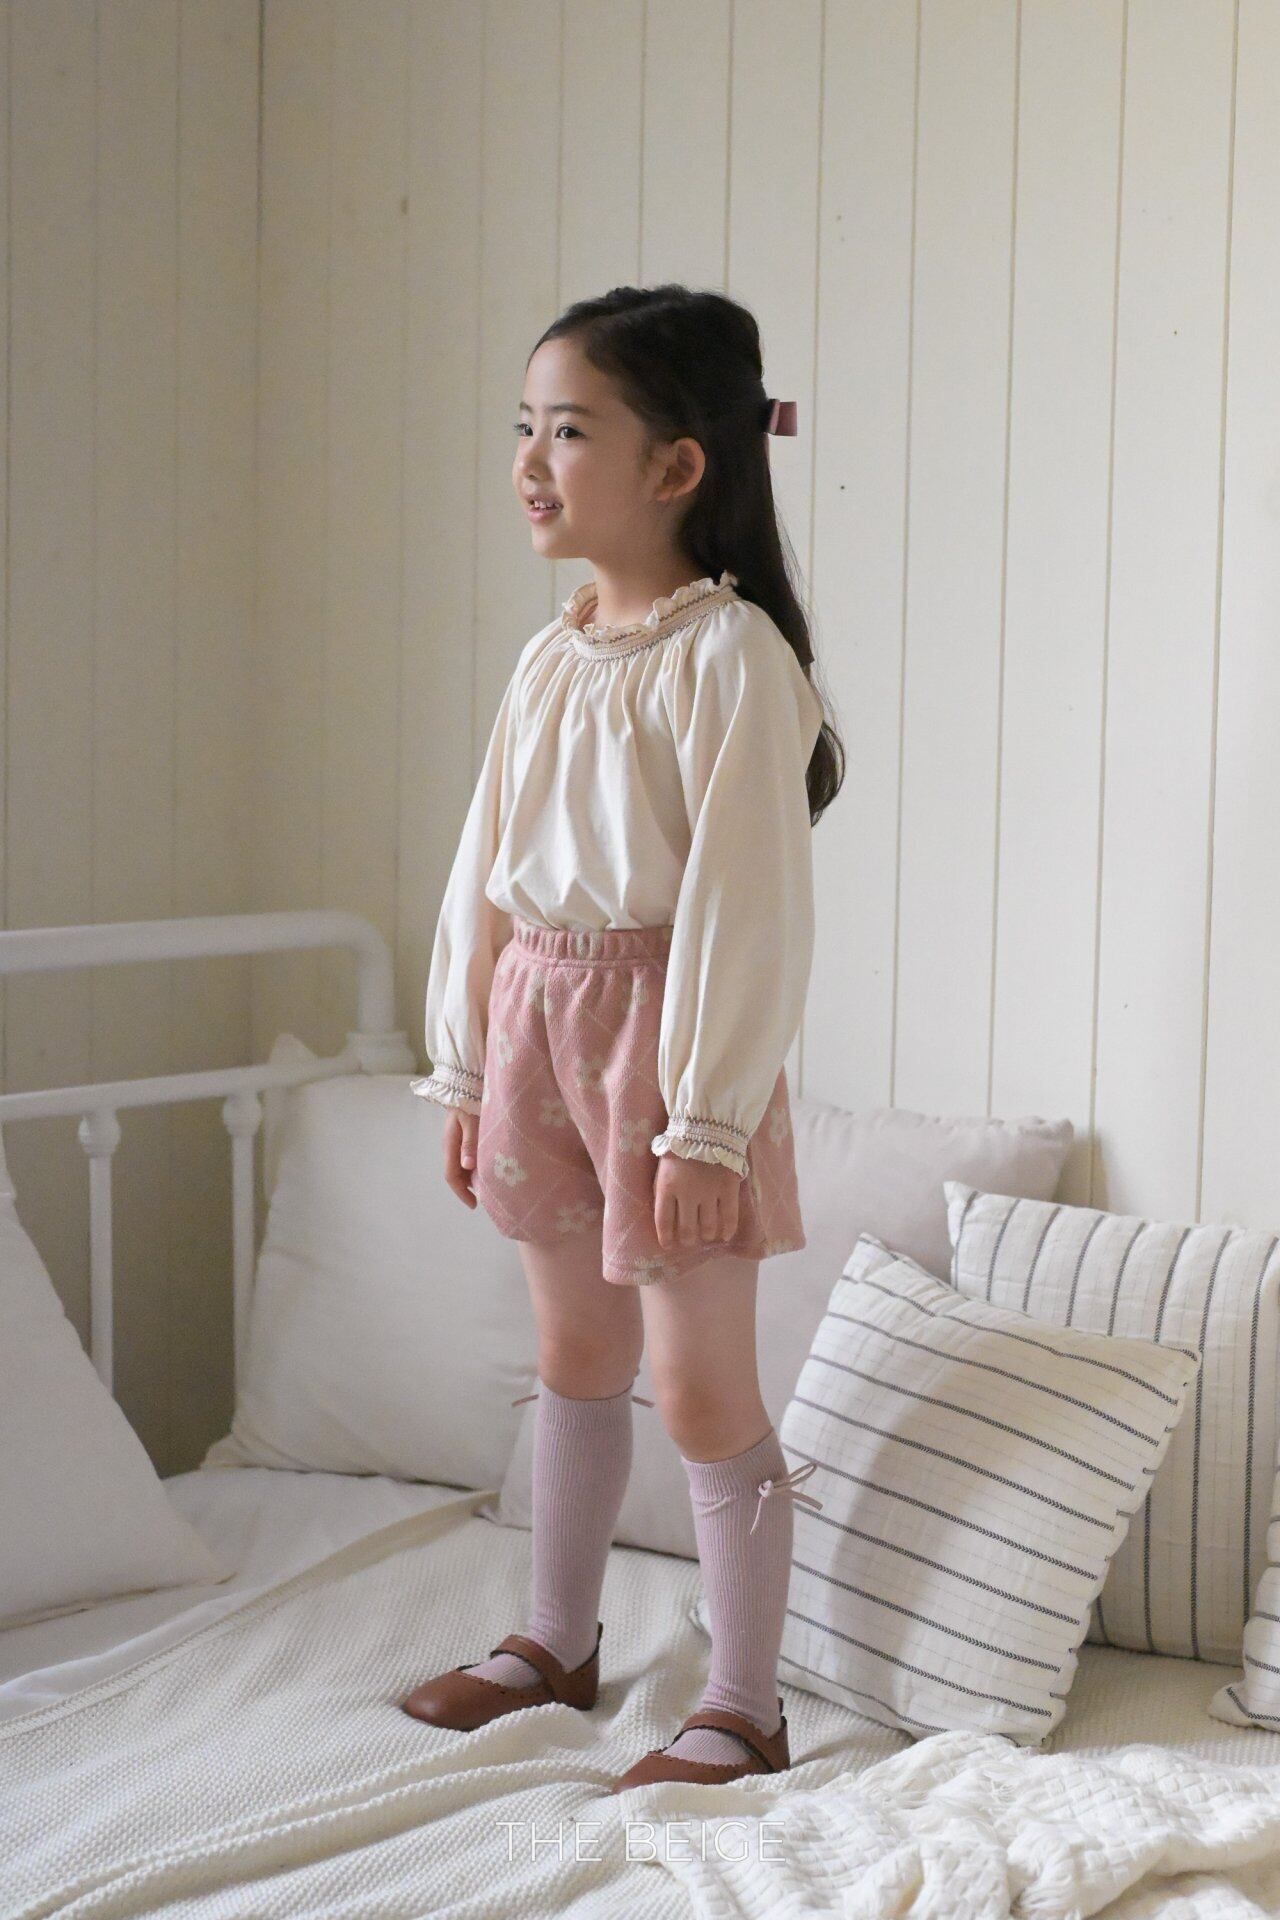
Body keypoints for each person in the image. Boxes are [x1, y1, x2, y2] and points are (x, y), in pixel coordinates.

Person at [399, 283, 844, 1789]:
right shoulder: (556, 654)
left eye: (570, 431)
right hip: (538, 1021)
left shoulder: (732, 657)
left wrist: (705, 1121)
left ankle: (746, 1704)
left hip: (667, 1051)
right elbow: (485, 872)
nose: (531, 461)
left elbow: (746, 903)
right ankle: (556, 1640)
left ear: (677, 466)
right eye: (523, 428)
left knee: (700, 1385)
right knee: (572, 1356)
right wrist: (469, 1067)